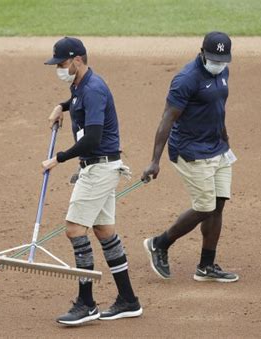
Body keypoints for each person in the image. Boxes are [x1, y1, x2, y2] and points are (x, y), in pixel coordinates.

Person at [42, 37, 142, 325]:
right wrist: (62, 107)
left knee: (75, 229)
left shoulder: (94, 89)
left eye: (61, 63)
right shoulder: (80, 86)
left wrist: (58, 158)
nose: (59, 69)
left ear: (77, 59)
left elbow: (94, 138)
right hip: (102, 168)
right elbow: (78, 101)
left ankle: (86, 304)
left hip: (98, 169)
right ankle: (128, 300)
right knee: (104, 231)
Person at [141, 32, 239, 283]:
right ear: (202, 52)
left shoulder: (223, 72)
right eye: (214, 58)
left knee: (217, 206)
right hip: (190, 150)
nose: (219, 63)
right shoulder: (187, 79)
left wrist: (224, 138)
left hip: (217, 147)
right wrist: (155, 160)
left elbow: (217, 109)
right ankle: (159, 244)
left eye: (223, 58)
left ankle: (206, 266)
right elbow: (167, 118)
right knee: (204, 207)